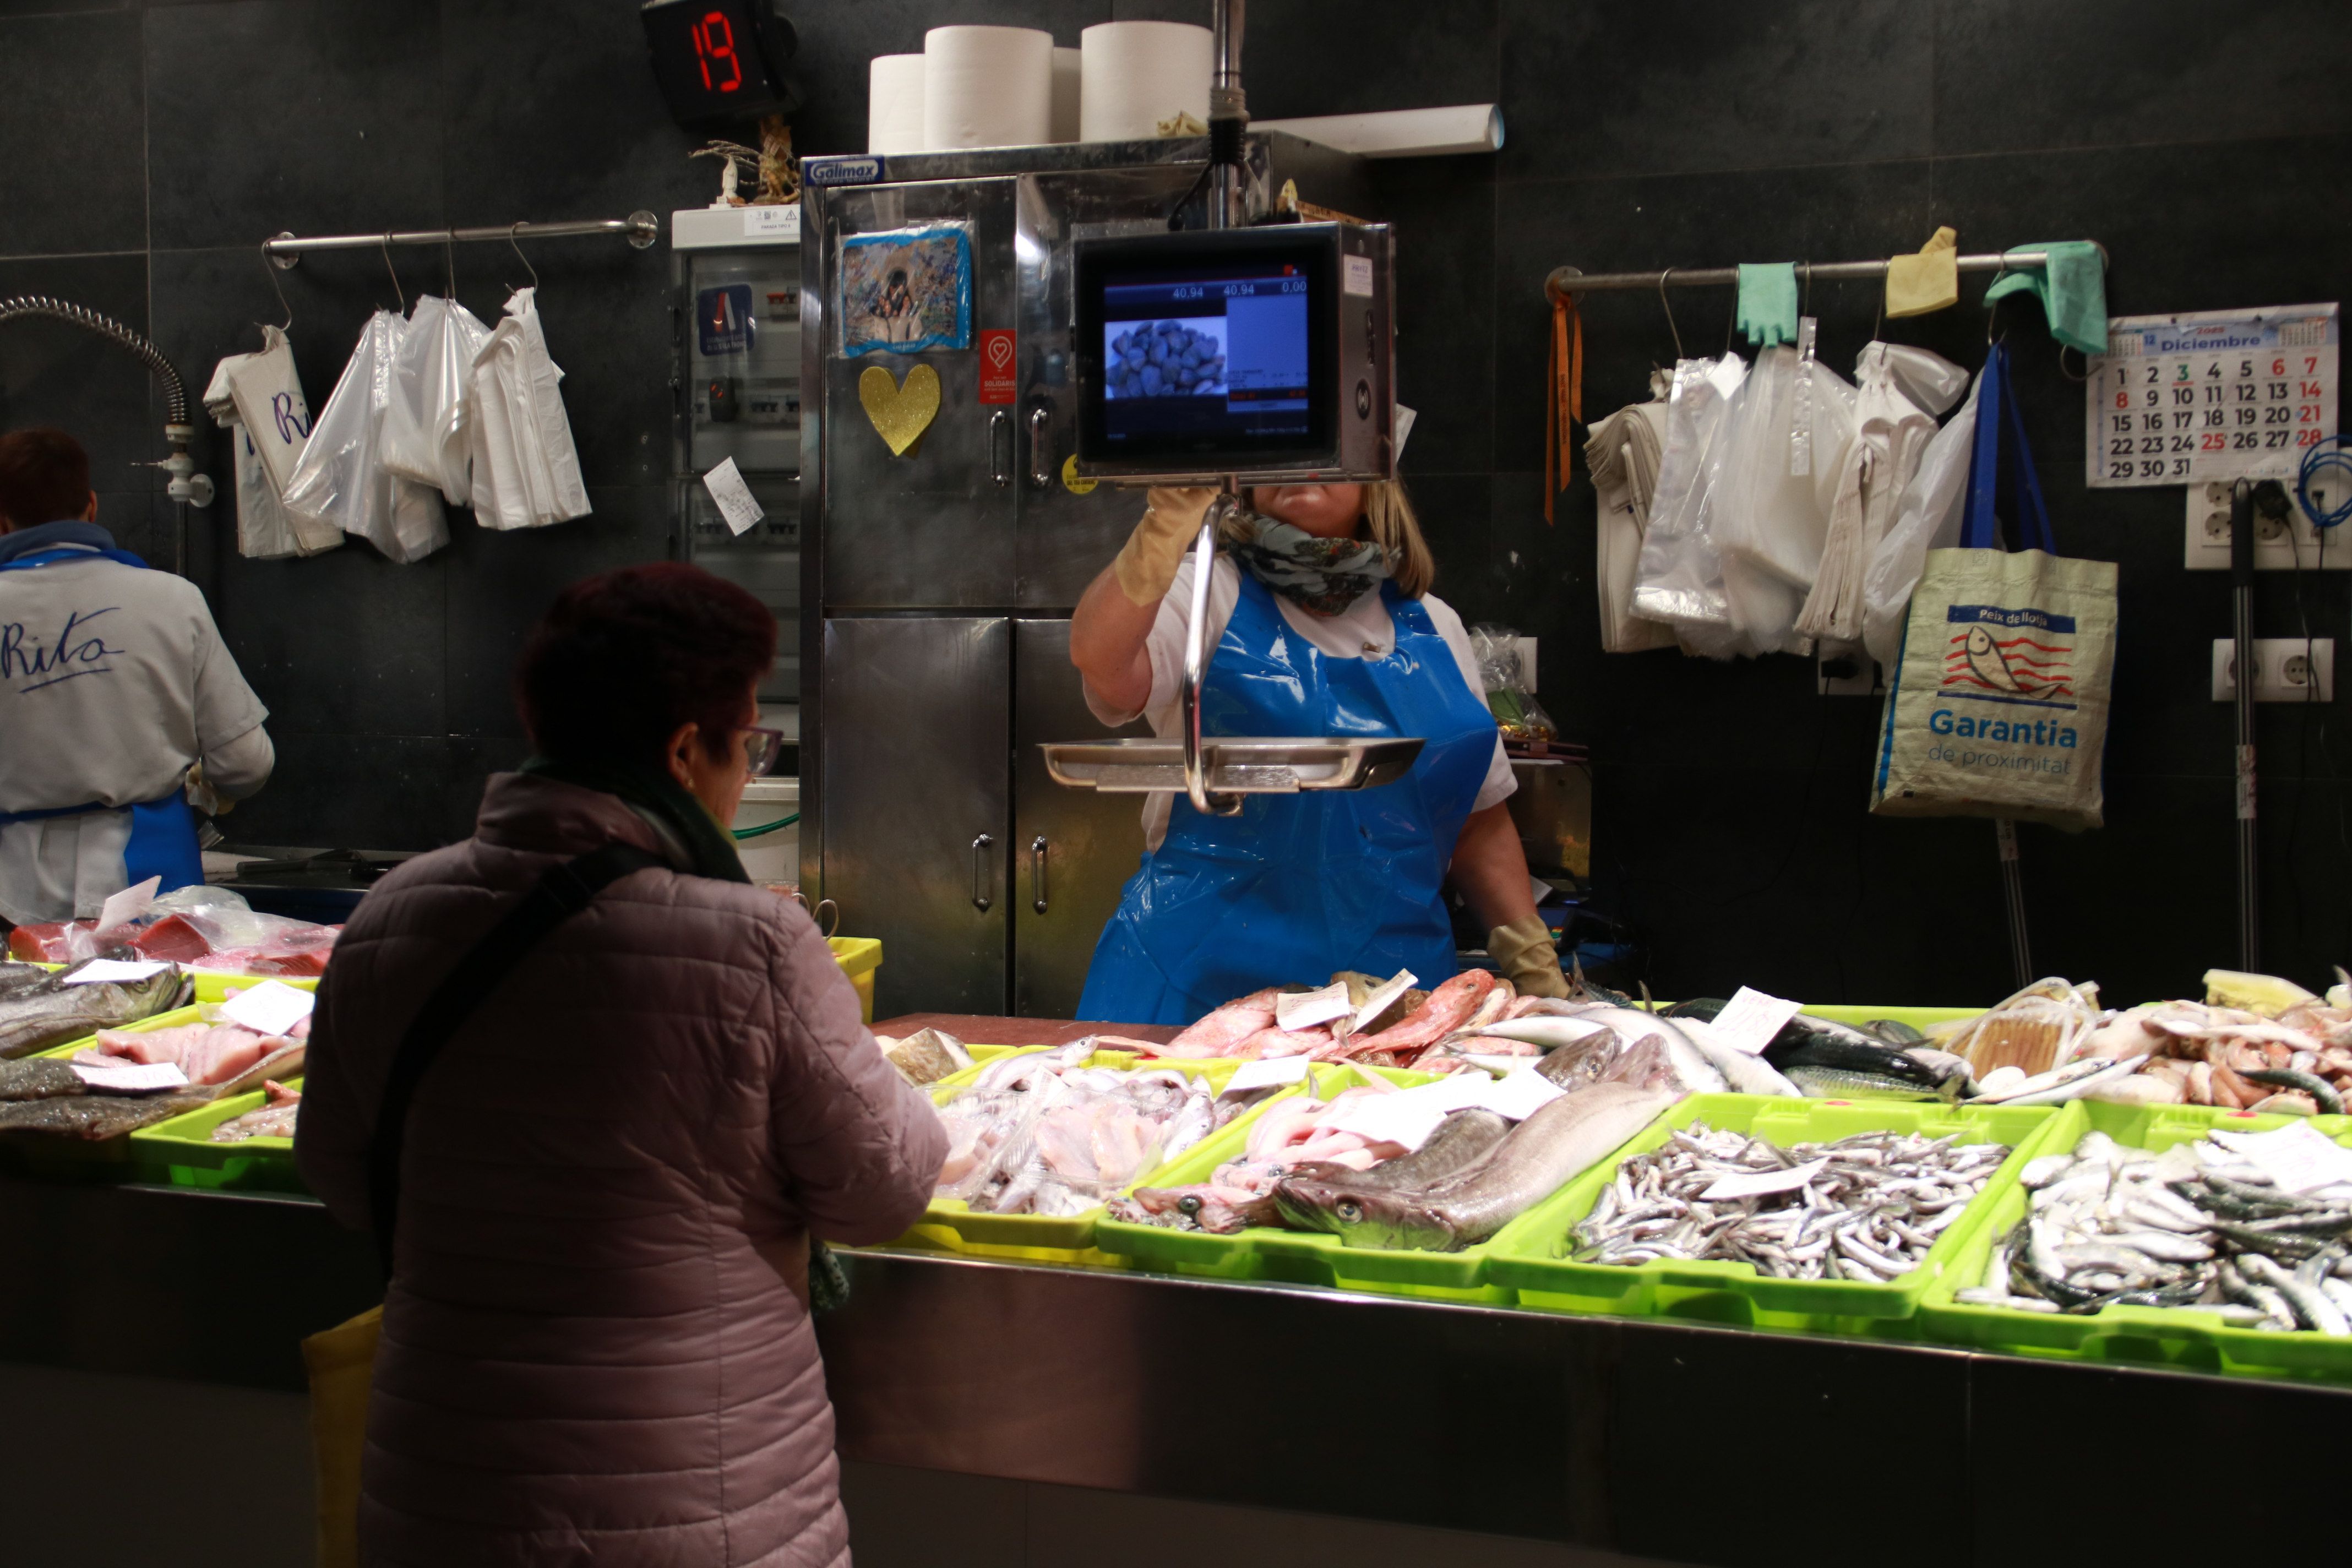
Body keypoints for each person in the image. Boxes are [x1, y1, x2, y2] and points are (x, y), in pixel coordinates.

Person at [295, 563, 946, 1566]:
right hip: (696, 1500)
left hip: (444, 1485)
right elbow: (882, 1189)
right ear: (688, 752)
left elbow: (343, 1177)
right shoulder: (751, 945)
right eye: (749, 744)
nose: (743, 770)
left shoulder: (392, 918)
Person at [1069, 481, 1568, 1025]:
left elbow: (1479, 823)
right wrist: (1162, 530)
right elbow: (1105, 667)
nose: (1303, 470)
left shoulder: (1436, 624)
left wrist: (1533, 963)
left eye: (1327, 448)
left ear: (1376, 471)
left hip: (1393, 1003)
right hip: (1202, 994)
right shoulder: (1207, 591)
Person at [0, 428, 272, 928]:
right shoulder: (172, 599)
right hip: (147, 895)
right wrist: (205, 786)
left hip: (7, 899)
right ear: (91, 505)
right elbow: (245, 762)